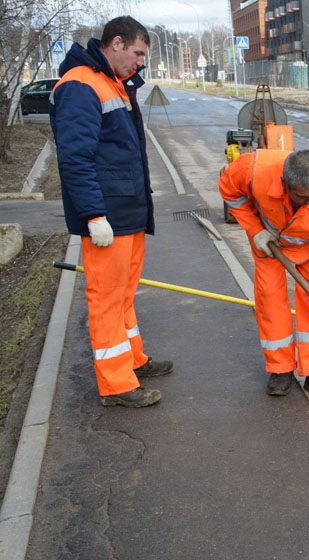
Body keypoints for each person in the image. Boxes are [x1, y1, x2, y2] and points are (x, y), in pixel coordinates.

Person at [50, 16, 173, 408]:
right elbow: (75, 157)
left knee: (123, 296)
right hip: (109, 217)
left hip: (127, 213)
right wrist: (93, 215)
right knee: (106, 300)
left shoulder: (114, 83)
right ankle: (117, 385)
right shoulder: (81, 84)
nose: (140, 63)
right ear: (116, 43)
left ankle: (131, 361)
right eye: (137, 53)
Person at [219, 149, 309, 401]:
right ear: (284, 185)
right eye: (304, 197)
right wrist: (255, 229)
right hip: (268, 242)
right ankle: (280, 369)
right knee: (269, 299)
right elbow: (228, 190)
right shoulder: (253, 169)